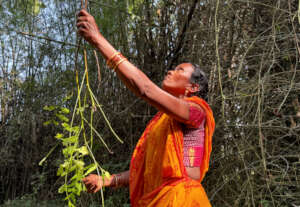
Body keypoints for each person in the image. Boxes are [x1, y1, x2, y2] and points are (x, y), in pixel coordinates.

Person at [77, 9, 215, 207]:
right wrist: (107, 180)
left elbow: (145, 89)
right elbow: (143, 170)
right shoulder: (162, 121)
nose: (170, 71)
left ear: (193, 87)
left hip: (183, 200)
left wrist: (98, 40)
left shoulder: (196, 113)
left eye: (179, 70)